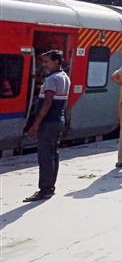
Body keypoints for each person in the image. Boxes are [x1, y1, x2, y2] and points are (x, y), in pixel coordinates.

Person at [22, 50, 71, 202]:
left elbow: (48, 102)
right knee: (53, 154)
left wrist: (35, 125)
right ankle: (50, 187)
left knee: (45, 156)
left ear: (56, 62)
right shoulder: (64, 77)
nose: (44, 64)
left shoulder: (52, 79)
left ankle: (45, 189)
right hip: (58, 120)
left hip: (49, 122)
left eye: (47, 61)